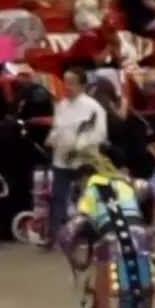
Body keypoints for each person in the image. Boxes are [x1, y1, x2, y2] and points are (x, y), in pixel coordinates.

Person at [56, 146, 155, 308]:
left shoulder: (90, 194)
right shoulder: (127, 184)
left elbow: (67, 234)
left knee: (101, 288)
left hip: (110, 248)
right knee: (141, 287)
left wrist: (75, 260)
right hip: (142, 244)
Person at [47, 67, 108, 244]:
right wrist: (52, 139)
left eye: (72, 82)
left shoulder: (93, 107)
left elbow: (99, 133)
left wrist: (78, 147)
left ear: (82, 85)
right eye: (65, 82)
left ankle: (90, 232)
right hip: (61, 159)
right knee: (58, 196)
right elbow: (57, 129)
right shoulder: (61, 105)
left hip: (84, 160)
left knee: (86, 196)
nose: (67, 86)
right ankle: (58, 234)